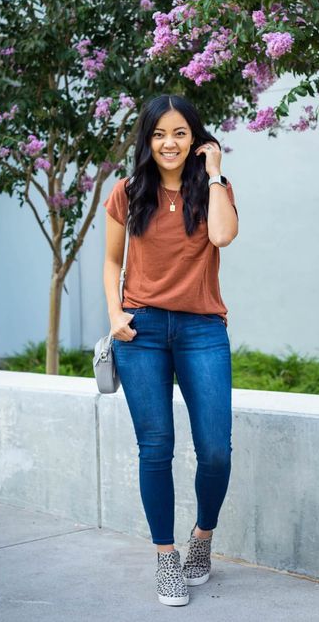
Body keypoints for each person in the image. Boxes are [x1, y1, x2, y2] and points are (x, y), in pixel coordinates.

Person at [102, 93, 239, 607]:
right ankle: (165, 558)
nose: (169, 142)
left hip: (203, 328)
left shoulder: (213, 192)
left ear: (196, 139)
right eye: (160, 133)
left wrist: (218, 171)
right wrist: (115, 315)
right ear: (148, 139)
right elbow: (111, 259)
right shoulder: (128, 191)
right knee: (155, 447)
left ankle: (201, 540)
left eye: (180, 132)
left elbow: (223, 237)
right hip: (143, 331)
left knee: (216, 451)